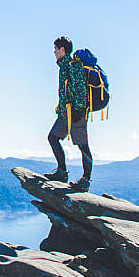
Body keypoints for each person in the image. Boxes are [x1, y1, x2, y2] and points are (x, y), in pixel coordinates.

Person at [43, 36, 92, 192]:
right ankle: (62, 172)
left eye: (56, 49)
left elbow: (81, 90)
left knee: (83, 146)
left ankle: (85, 180)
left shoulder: (73, 66)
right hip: (65, 113)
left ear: (63, 49)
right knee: (53, 137)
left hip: (77, 114)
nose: (54, 52)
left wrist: (78, 110)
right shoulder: (64, 67)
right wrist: (61, 107)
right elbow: (67, 90)